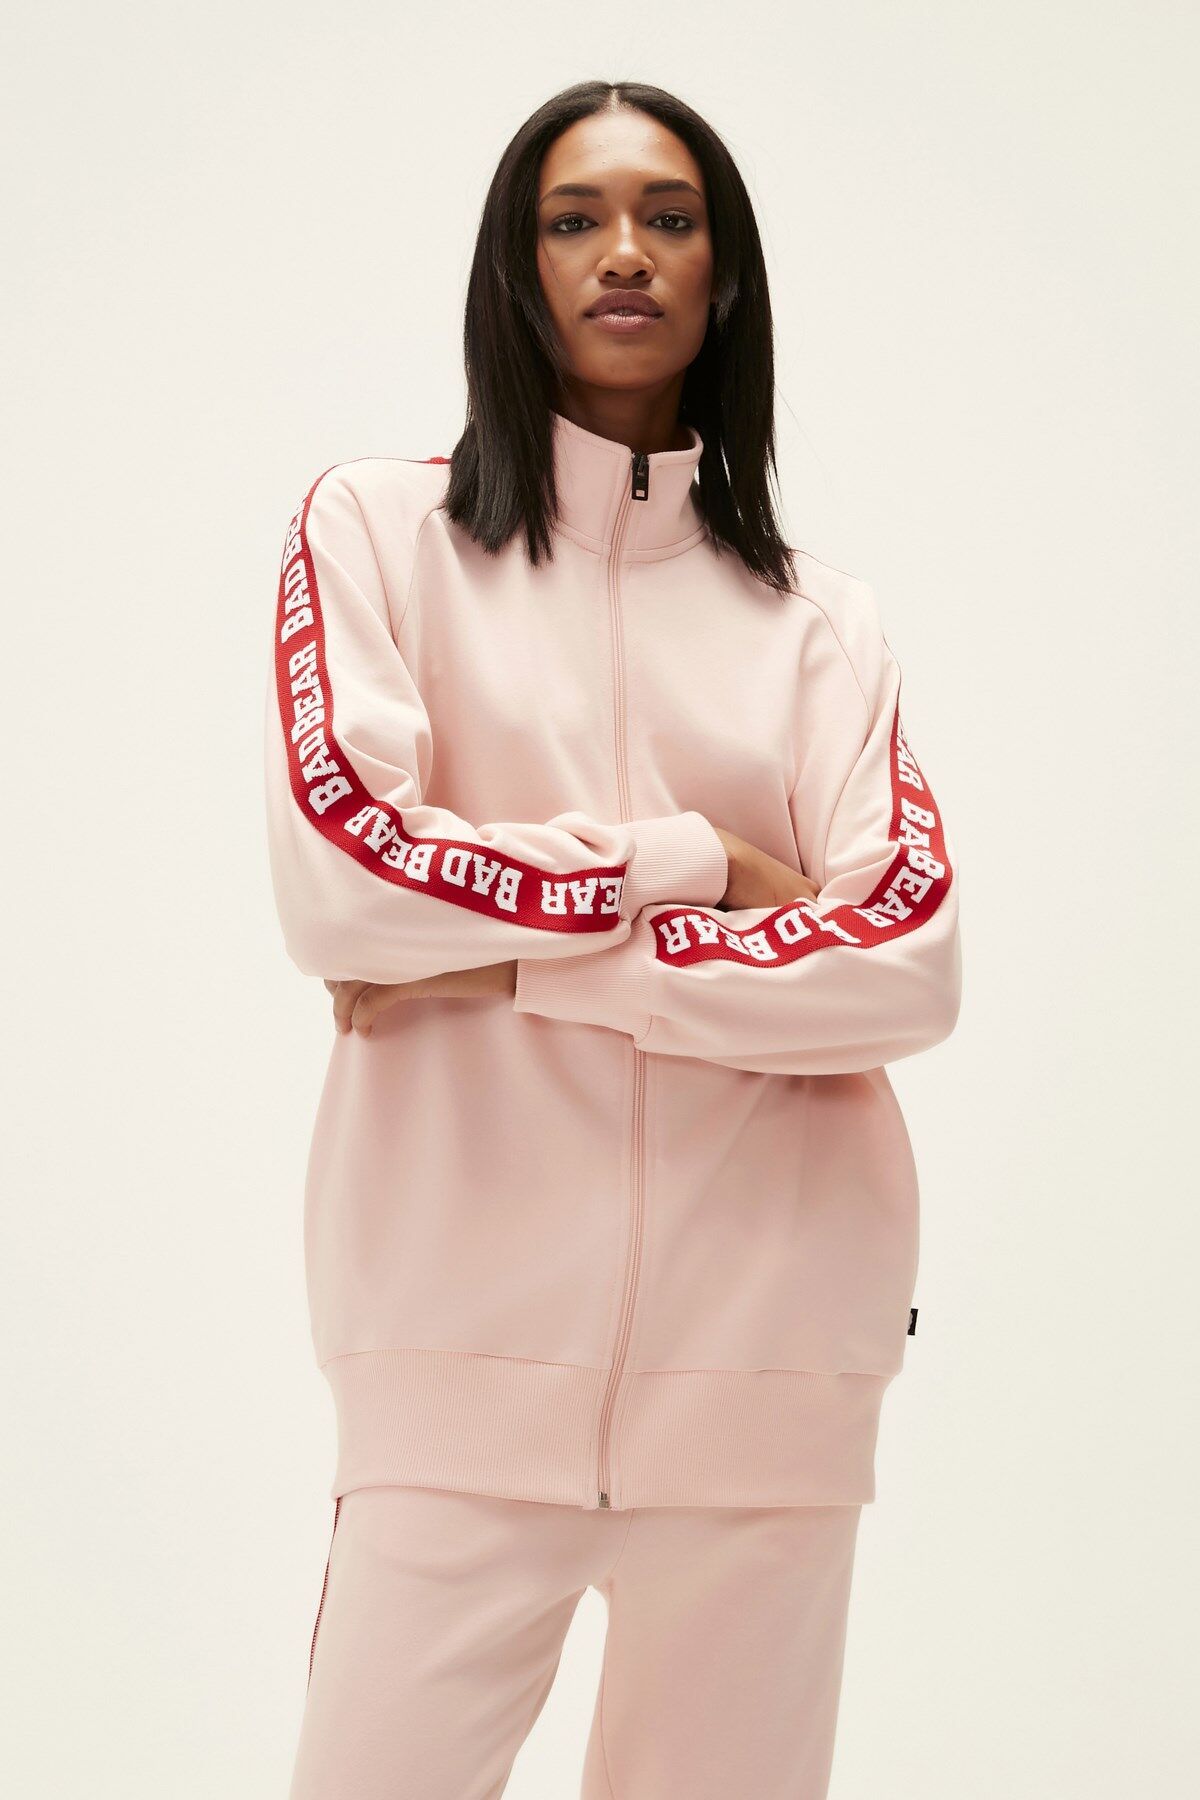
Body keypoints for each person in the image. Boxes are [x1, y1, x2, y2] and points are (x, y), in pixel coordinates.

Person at [266, 77, 962, 1800]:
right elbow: (345, 880)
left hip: (770, 1395)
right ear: (516, 272)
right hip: (451, 1374)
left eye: (670, 217)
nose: (624, 252)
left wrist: (508, 956)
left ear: (727, 274)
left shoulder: (819, 628)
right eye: (573, 220)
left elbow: (905, 959)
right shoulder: (378, 536)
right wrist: (689, 861)